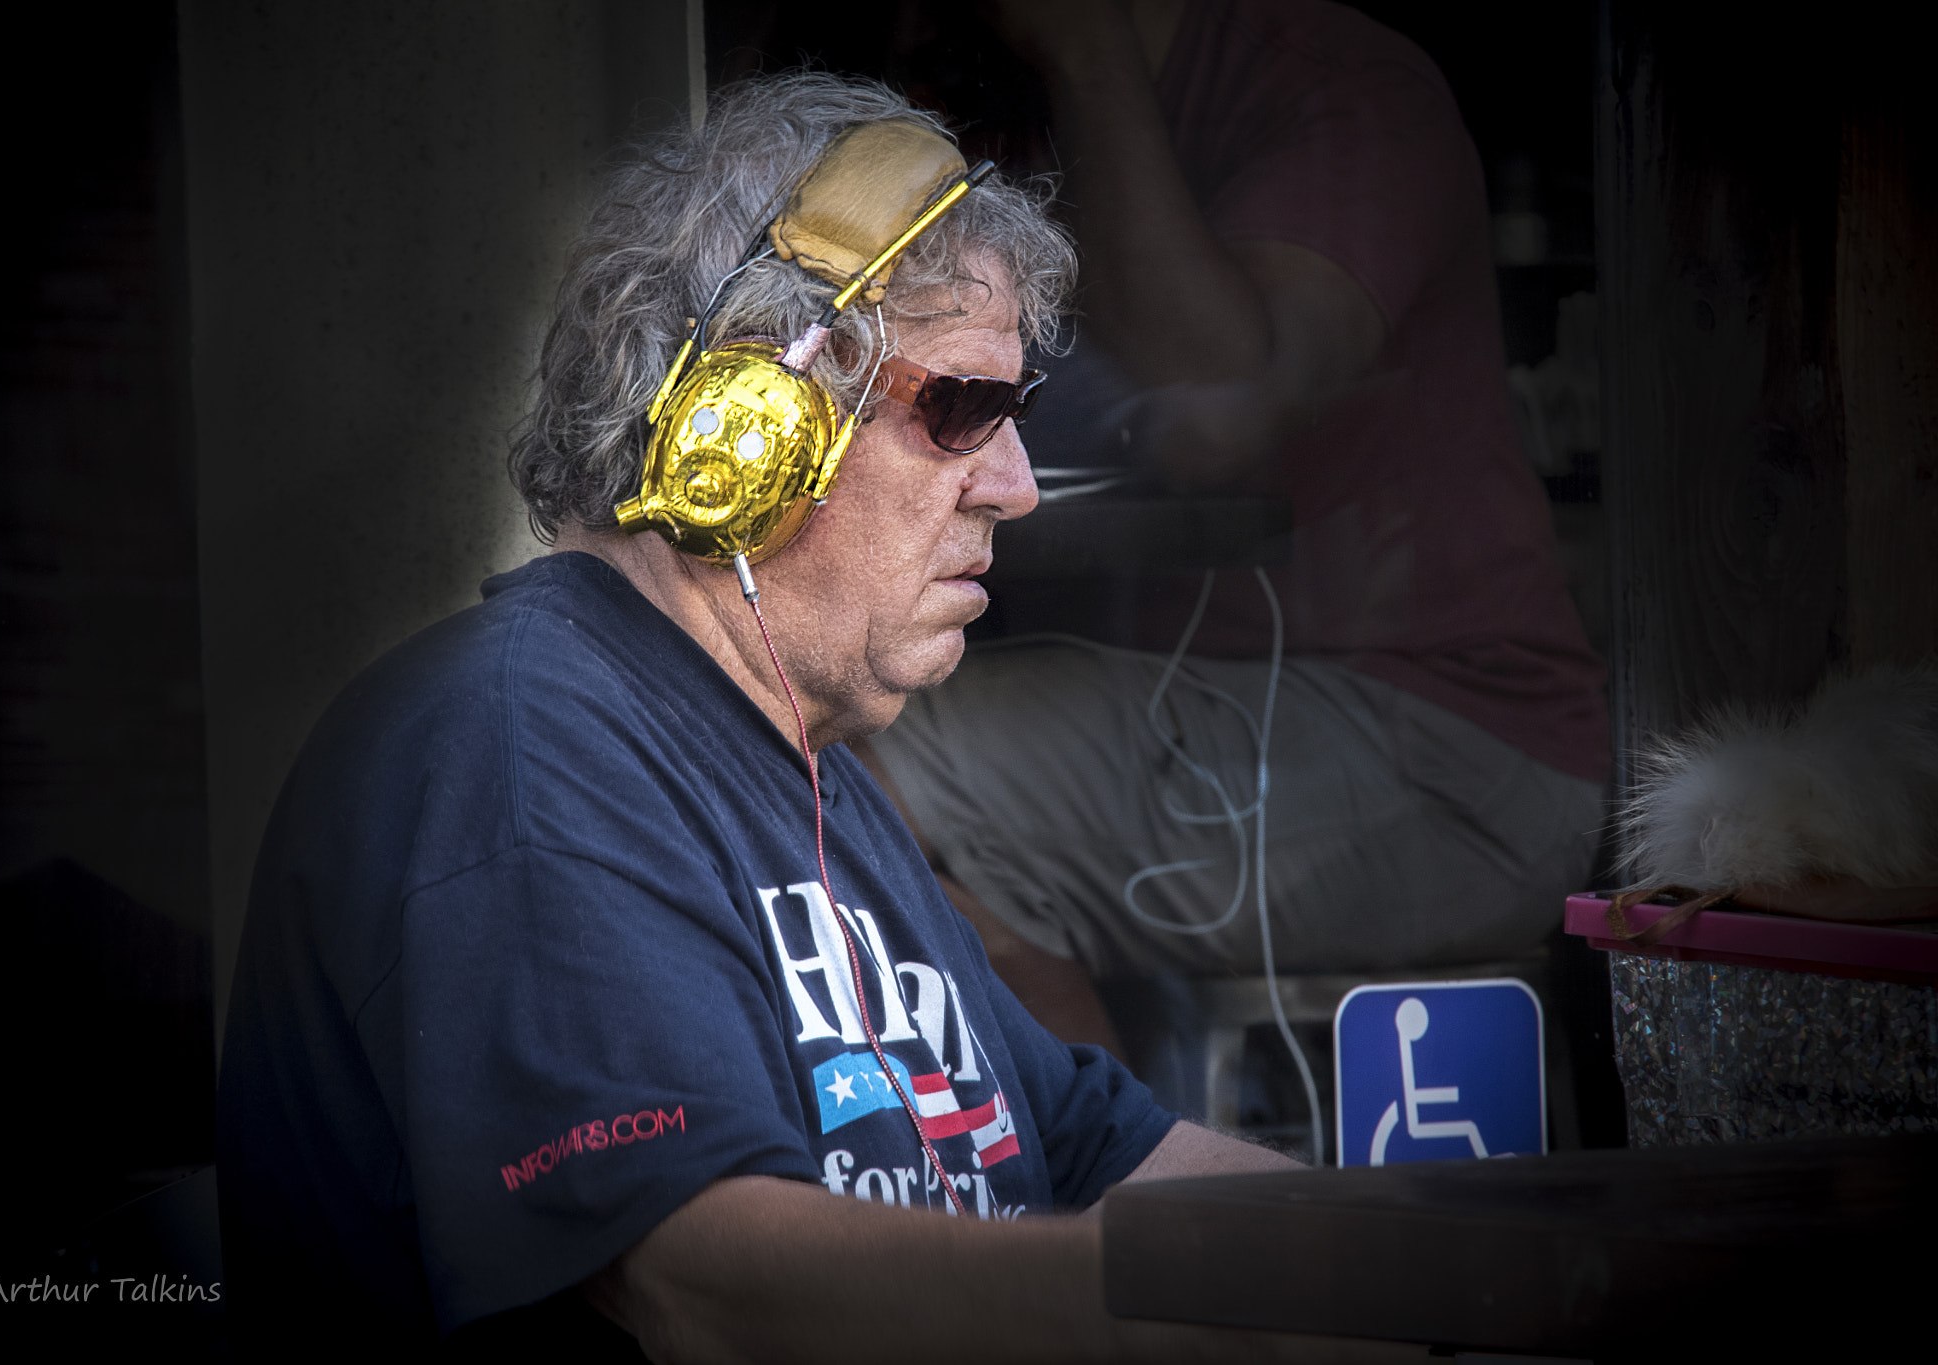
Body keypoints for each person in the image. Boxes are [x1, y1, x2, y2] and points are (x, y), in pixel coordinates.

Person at [215, 71, 1419, 1361]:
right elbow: (709, 1285)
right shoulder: (519, 746)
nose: (1013, 488)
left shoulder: (799, 763)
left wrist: (1433, 1271)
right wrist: (1248, 1326)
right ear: (745, 426)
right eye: (960, 407)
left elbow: (1084, 1142)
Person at [861, 0, 1609, 1052]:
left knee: (853, 765)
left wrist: (1087, 50)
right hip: (1206, 713)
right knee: (841, 755)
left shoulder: (1339, 88)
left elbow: (1225, 406)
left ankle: (1091, 1173)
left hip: (1438, 746)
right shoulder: (993, 108)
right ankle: (1083, 1132)